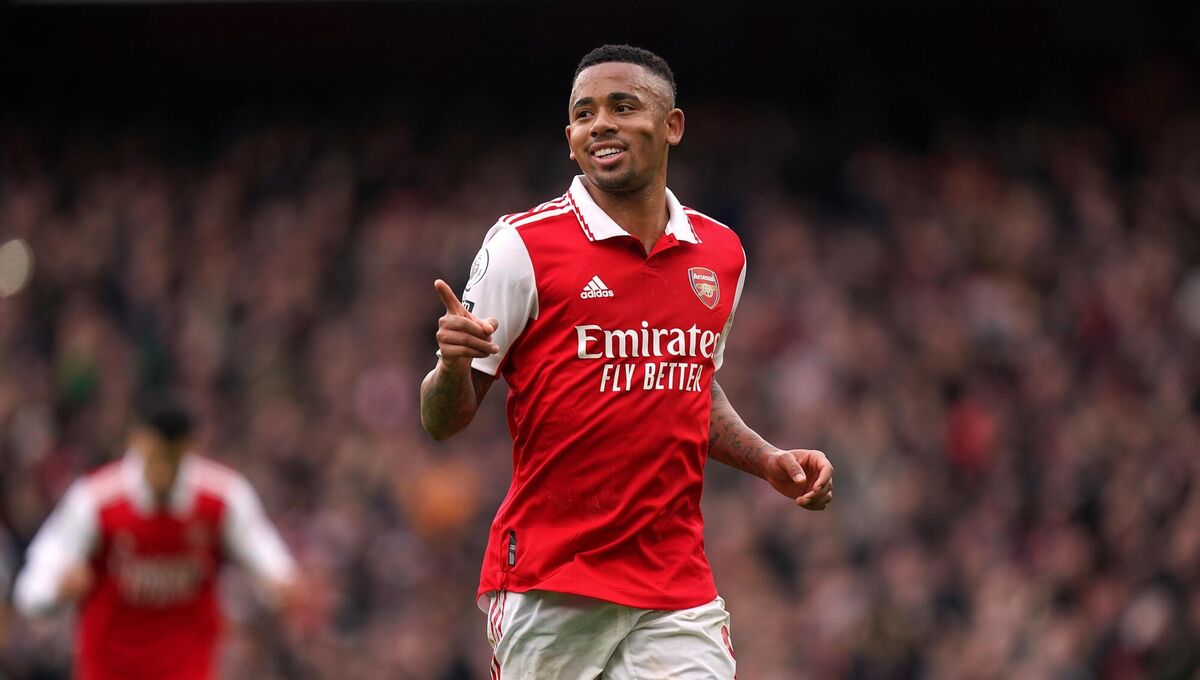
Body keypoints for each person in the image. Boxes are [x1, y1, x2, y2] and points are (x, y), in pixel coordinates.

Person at [420, 44, 834, 678]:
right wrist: (451, 366)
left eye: (622, 106)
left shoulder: (720, 253)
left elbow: (695, 386)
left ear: (672, 126)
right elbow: (443, 421)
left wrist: (765, 458)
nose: (601, 125)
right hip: (551, 579)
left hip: (675, 585)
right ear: (569, 139)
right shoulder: (522, 246)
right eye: (584, 114)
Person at [13, 398, 298, 680]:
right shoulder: (96, 501)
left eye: (173, 459)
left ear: (189, 450)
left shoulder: (222, 497)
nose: (163, 470)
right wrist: (56, 592)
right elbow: (32, 587)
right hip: (109, 671)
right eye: (157, 456)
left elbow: (268, 557)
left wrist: (279, 582)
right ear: (138, 444)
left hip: (187, 671)